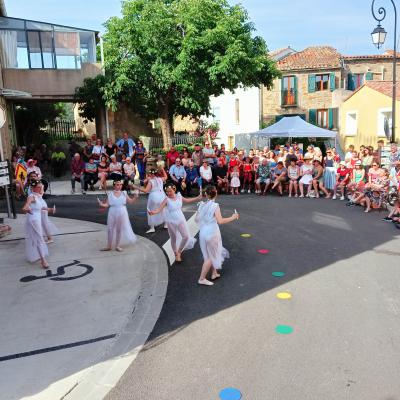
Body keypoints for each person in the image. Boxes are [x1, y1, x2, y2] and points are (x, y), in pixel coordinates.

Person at [195, 185, 239, 286]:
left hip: (203, 232)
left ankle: (214, 273)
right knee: (211, 256)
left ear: (206, 195)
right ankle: (201, 278)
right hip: (212, 232)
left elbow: (196, 220)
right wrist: (233, 217)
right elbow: (220, 221)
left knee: (210, 253)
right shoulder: (215, 206)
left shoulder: (201, 205)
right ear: (216, 194)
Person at [149, 183, 199, 262]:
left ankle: (179, 251)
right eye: (167, 192)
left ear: (174, 189)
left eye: (170, 191)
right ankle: (176, 254)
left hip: (180, 219)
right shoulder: (166, 199)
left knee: (186, 237)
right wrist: (153, 213)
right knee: (173, 238)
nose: (168, 193)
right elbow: (159, 209)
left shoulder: (179, 196)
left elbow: (188, 200)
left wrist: (197, 197)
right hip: (171, 221)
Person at [22, 180, 56, 269]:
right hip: (34, 220)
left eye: (41, 187)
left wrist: (50, 209)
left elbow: (41, 207)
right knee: (39, 238)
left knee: (38, 238)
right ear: (34, 188)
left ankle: (41, 258)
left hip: (37, 219)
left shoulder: (38, 196)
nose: (41, 188)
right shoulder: (31, 197)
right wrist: (27, 209)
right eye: (39, 187)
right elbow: (25, 207)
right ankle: (43, 260)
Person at [97, 179, 138, 251]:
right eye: (117, 185)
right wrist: (102, 204)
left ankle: (117, 246)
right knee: (110, 229)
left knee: (119, 229)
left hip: (122, 212)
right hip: (112, 211)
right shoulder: (110, 193)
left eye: (120, 185)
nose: (119, 186)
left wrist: (135, 197)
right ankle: (109, 246)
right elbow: (107, 204)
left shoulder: (124, 193)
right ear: (114, 186)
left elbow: (130, 201)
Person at [133, 169, 167, 233]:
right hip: (162, 196)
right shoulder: (160, 179)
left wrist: (136, 187)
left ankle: (152, 227)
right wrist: (162, 169)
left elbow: (146, 190)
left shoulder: (151, 181)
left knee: (151, 210)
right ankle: (165, 224)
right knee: (163, 209)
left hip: (154, 197)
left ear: (151, 174)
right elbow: (166, 176)